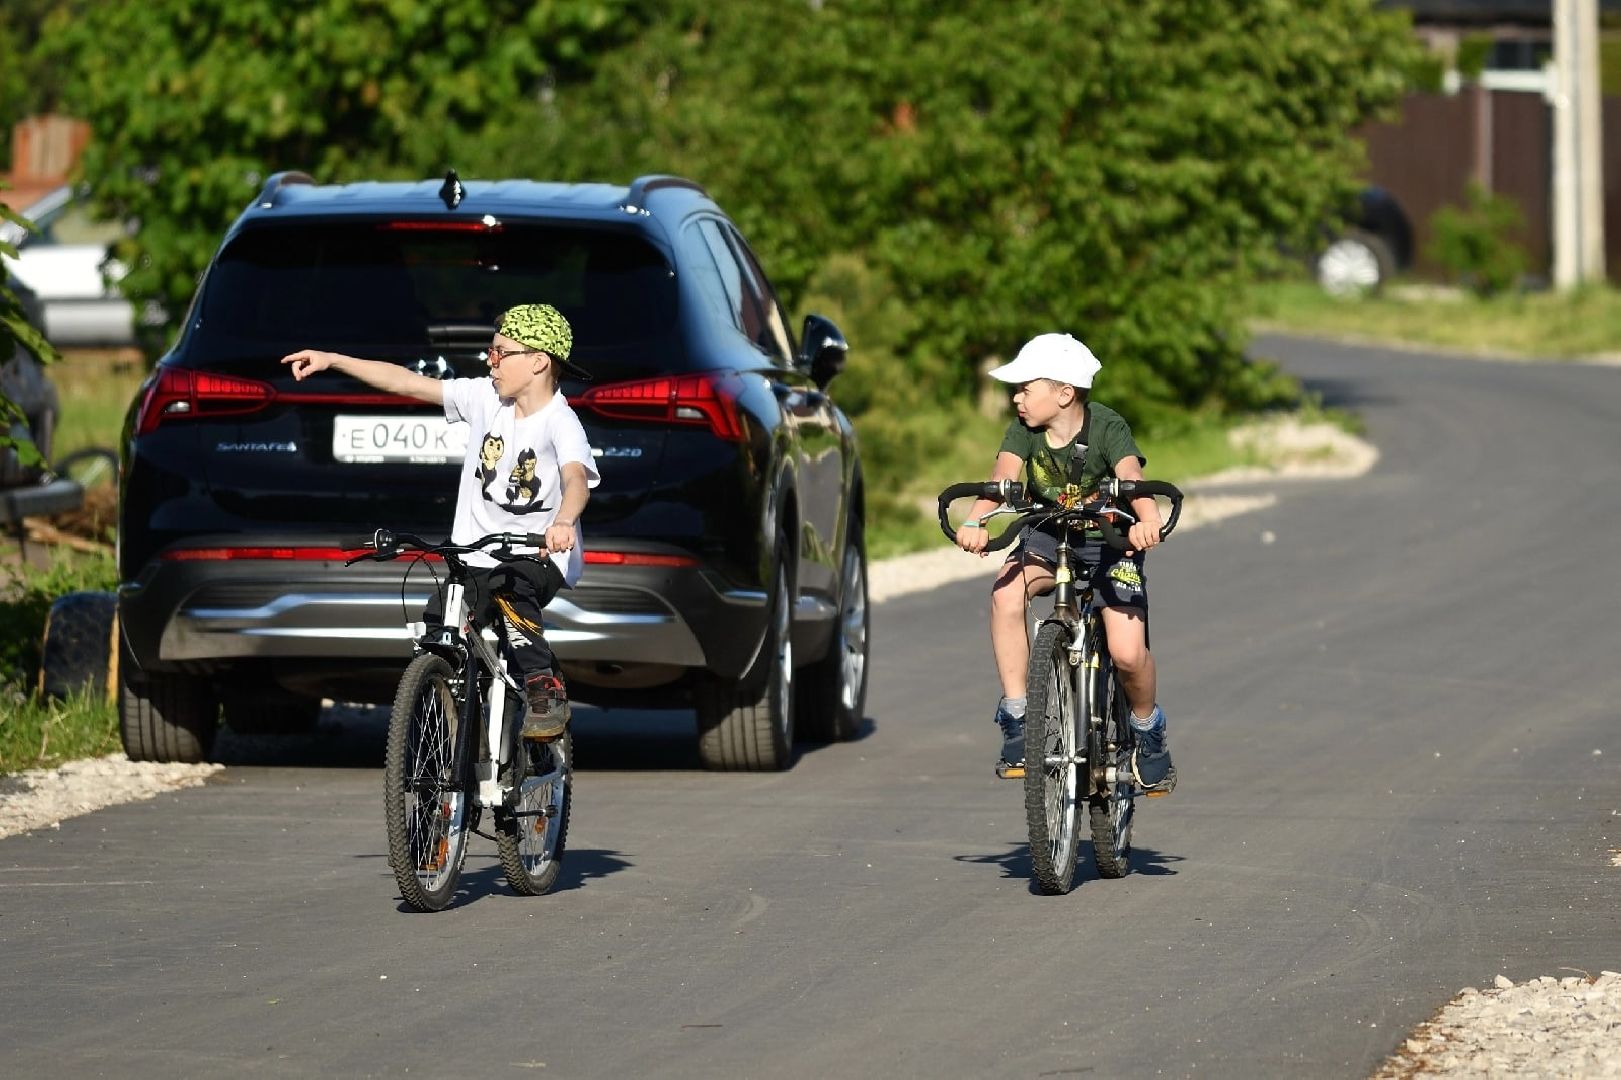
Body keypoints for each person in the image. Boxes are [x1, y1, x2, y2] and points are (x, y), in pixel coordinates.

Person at [281, 302, 600, 741]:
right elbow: (407, 381)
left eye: (500, 352)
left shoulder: (561, 422)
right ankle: (450, 734)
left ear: (538, 361)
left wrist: (563, 521)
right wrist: (334, 360)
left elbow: (576, 479)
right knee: (441, 623)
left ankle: (544, 688)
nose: (490, 361)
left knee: (511, 595)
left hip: (534, 553)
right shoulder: (487, 398)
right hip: (475, 554)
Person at [953, 332, 1175, 795]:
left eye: (1024, 388)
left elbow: (1133, 478)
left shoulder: (1107, 427)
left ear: (1064, 394)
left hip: (1109, 539)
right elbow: (1001, 479)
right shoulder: (1024, 432)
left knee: (1128, 653)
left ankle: (1147, 731)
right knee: (1005, 592)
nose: (1016, 398)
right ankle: (1017, 717)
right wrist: (976, 520)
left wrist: (1147, 521)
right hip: (1049, 532)